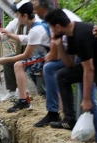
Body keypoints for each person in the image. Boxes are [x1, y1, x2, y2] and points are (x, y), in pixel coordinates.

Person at [44, 9, 97, 142]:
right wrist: (59, 46)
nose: (51, 32)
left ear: (57, 27)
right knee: (62, 76)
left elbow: (90, 69)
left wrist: (86, 99)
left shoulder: (81, 35)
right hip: (92, 66)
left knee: (94, 103)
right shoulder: (70, 34)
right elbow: (69, 64)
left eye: (51, 28)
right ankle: (69, 120)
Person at [0, 1, 50, 113]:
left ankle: (25, 100)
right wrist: (0, 34)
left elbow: (26, 54)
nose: (16, 16)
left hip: (44, 58)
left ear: (25, 15)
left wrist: (5, 59)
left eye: (18, 14)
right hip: (38, 57)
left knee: (19, 65)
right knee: (17, 63)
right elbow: (24, 38)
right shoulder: (24, 23)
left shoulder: (36, 27)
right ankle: (18, 94)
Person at [33, 0, 81, 128]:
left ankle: (64, 115)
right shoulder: (57, 15)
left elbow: (54, 52)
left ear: (43, 11)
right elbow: (56, 44)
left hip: (82, 56)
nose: (34, 13)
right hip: (73, 54)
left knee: (52, 69)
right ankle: (56, 112)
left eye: (35, 10)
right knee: (52, 69)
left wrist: (52, 55)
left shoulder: (54, 20)